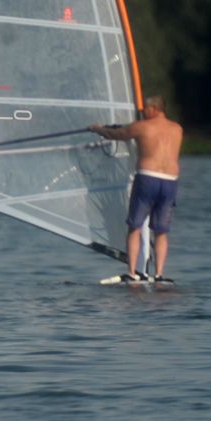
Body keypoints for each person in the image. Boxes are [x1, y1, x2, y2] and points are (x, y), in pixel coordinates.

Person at [89, 96, 183, 282]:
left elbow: (117, 135)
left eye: (144, 109)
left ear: (154, 108)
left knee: (134, 226)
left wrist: (98, 129)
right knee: (161, 230)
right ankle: (159, 274)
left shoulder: (142, 126)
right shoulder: (177, 128)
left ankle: (132, 272)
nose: (142, 112)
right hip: (170, 181)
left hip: (147, 179)